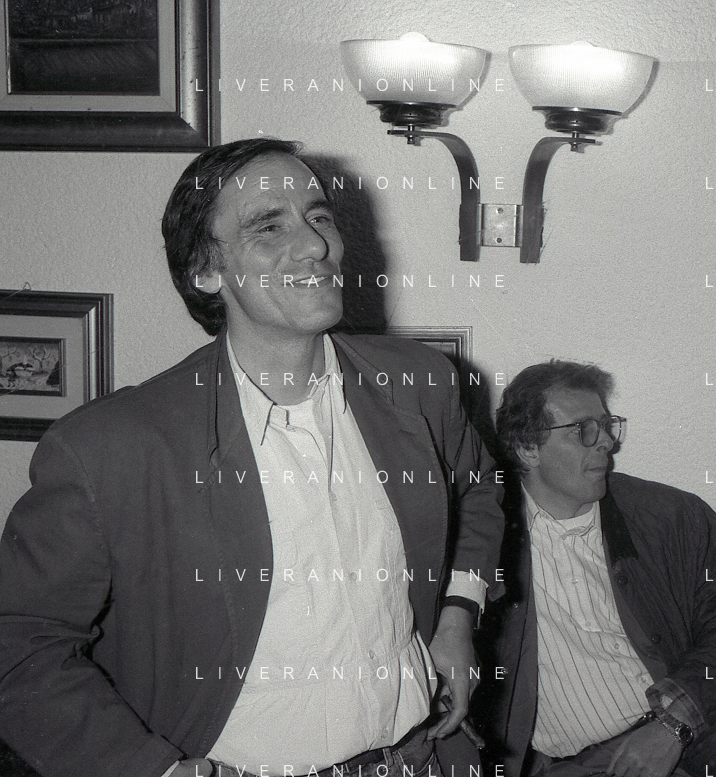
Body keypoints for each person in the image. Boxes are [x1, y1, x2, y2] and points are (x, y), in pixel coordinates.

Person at [0, 138, 505, 777]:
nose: (315, 245)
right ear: (205, 272)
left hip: (419, 757)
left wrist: (459, 613)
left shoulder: (420, 384)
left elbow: (479, 489)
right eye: (269, 227)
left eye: (319, 216)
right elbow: (19, 642)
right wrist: (146, 769)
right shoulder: (111, 448)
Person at [477, 360, 716, 777]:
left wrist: (673, 725)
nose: (606, 442)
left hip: (699, 724)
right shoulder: (487, 541)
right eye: (583, 430)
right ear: (528, 448)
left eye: (606, 425)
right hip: (580, 763)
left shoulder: (672, 517)